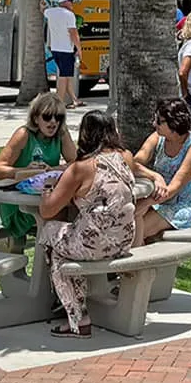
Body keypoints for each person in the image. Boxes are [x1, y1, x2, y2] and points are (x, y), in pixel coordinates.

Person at [39, 111, 141, 338]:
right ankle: (73, 306)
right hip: (124, 241)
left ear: (85, 133)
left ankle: (76, 315)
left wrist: (47, 189)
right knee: (66, 243)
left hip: (93, 245)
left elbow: (48, 210)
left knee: (50, 235)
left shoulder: (81, 167)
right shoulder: (126, 157)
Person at [0, 93, 78, 241]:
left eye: (58, 117)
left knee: (74, 209)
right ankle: (52, 256)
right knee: (60, 214)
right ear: (36, 118)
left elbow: (77, 164)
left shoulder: (61, 134)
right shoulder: (23, 134)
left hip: (45, 199)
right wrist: (26, 171)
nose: (53, 122)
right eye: (47, 117)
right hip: (18, 204)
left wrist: (52, 170)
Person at [133, 98, 191, 244]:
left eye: (159, 121)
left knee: (138, 229)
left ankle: (139, 265)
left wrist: (146, 203)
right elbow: (135, 162)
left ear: (174, 122)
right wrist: (155, 176)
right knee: (127, 222)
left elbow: (174, 187)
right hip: (158, 201)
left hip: (183, 205)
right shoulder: (158, 137)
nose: (154, 124)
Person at [45, 0, 82, 108]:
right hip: (66, 49)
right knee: (63, 77)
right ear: (66, 2)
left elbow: (43, 9)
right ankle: (58, 103)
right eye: (70, 1)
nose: (72, 4)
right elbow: (73, 33)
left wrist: (42, 3)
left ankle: (74, 99)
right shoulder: (69, 15)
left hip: (55, 49)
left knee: (67, 76)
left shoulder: (50, 12)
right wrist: (79, 49)